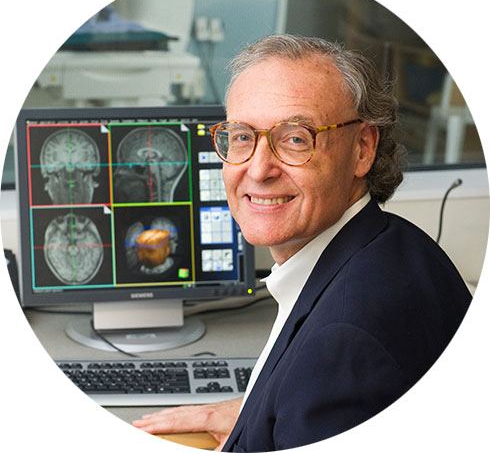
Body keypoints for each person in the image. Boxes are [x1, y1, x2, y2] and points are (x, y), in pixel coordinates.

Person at [133, 35, 472, 451]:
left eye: (295, 138)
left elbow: (338, 375)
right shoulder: (402, 245)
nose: (258, 170)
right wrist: (260, 411)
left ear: (363, 149)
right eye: (241, 136)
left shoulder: (343, 345)